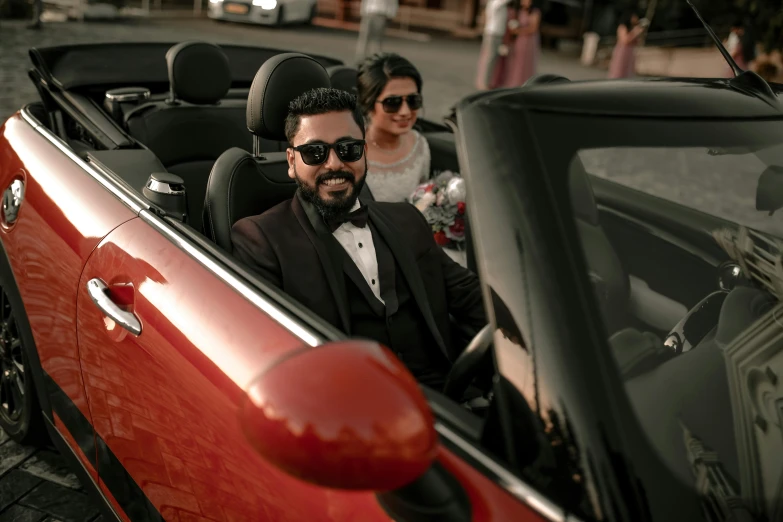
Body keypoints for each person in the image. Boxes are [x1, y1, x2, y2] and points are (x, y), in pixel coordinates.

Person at [230, 88, 486, 391]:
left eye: (348, 149)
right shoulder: (261, 239)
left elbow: (475, 301)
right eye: (315, 152)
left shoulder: (407, 219)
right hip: (348, 411)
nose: (335, 164)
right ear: (291, 160)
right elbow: (274, 363)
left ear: (364, 152)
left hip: (447, 399)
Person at [357, 53, 431, 203]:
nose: (405, 112)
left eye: (413, 100)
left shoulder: (420, 145)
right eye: (392, 102)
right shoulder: (349, 150)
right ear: (368, 104)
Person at [490, 0, 541, 88]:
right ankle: (514, 82)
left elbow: (533, 28)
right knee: (516, 61)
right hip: (519, 41)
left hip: (528, 41)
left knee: (526, 61)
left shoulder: (535, 12)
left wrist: (518, 31)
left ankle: (525, 82)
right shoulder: (518, 11)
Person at [475, 0, 509, 90]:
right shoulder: (496, 2)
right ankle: (484, 83)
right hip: (494, 33)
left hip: (495, 32)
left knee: (492, 59)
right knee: (490, 59)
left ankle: (488, 82)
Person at [355, 0, 398, 66]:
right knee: (364, 38)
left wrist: (391, 15)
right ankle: (360, 60)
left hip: (381, 14)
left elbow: (393, 2)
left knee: (377, 40)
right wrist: (363, 11)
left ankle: (375, 62)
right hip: (369, 13)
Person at [607, 11, 648, 79]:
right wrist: (635, 32)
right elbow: (625, 40)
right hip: (622, 51)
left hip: (630, 52)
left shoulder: (632, 28)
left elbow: (636, 42)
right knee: (619, 70)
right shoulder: (622, 27)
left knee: (627, 71)